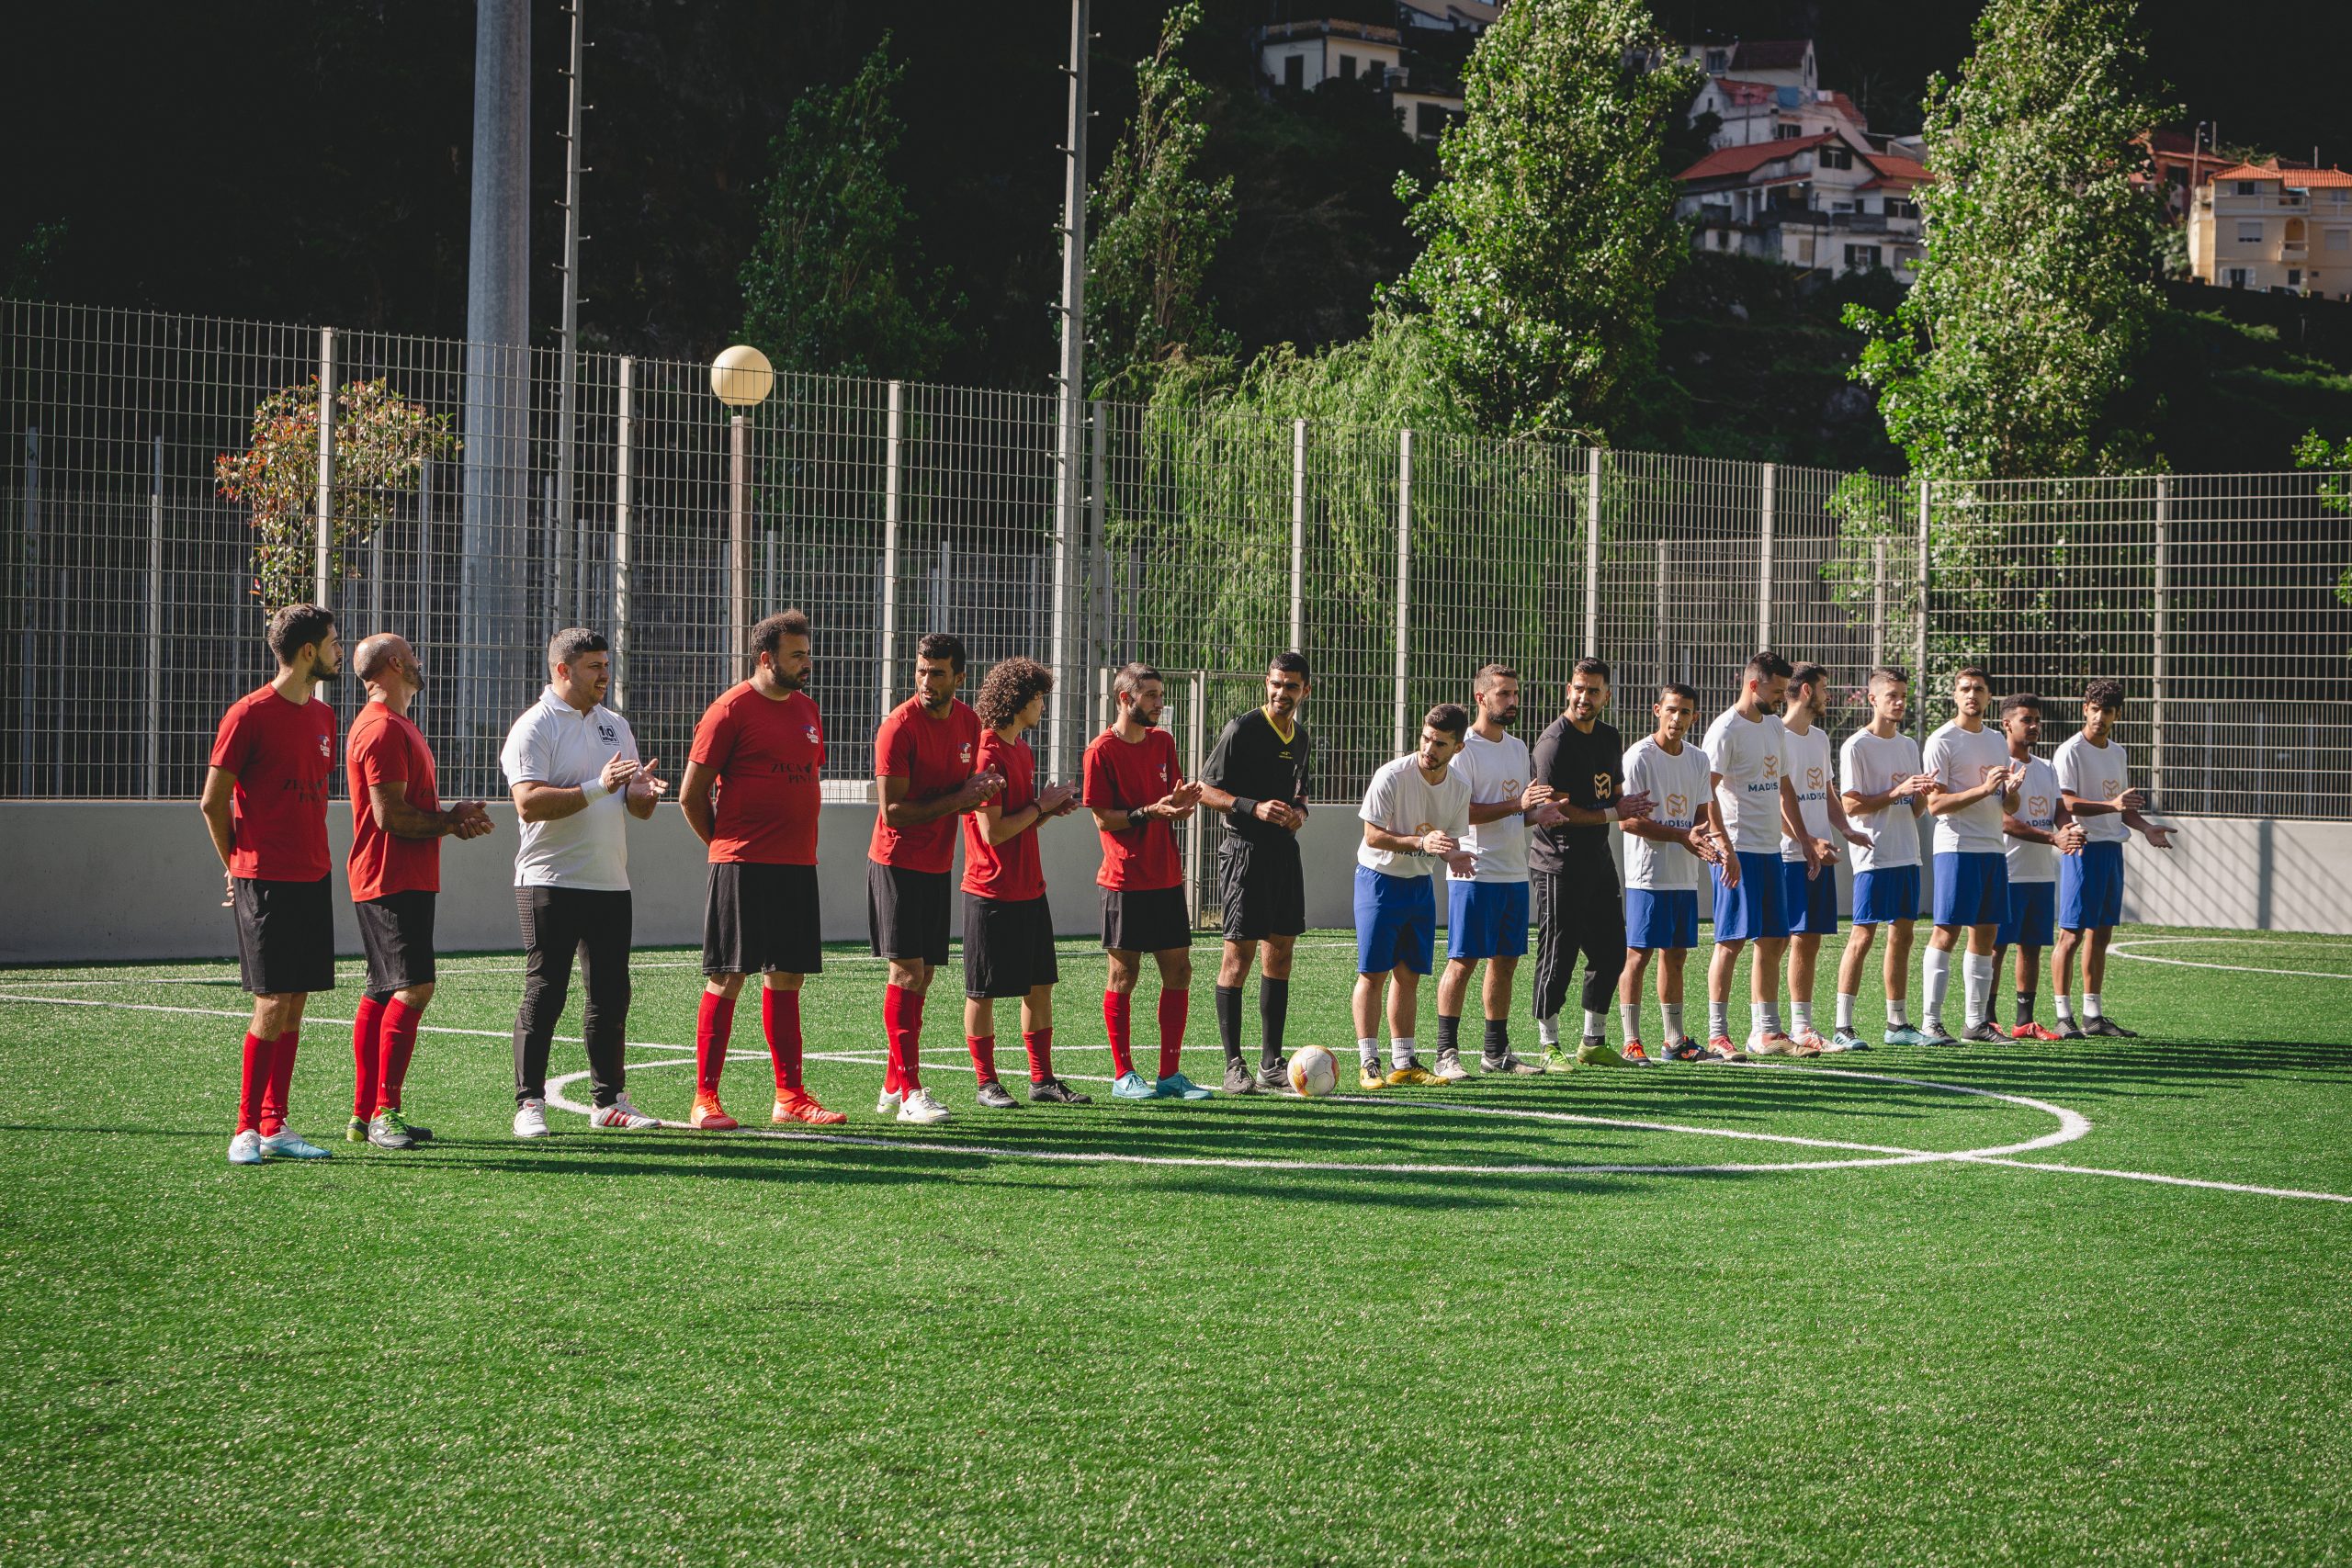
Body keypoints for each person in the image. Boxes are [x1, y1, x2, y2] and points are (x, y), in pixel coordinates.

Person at [677, 609, 846, 1133]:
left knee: (787, 976)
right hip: (743, 865)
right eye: (797, 655)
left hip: (797, 866)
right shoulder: (729, 710)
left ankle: (789, 1095)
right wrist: (726, 847)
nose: (807, 663)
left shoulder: (808, 710)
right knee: (729, 977)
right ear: (766, 657)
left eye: (807, 652)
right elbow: (691, 795)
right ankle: (705, 1098)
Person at [503, 627, 668, 1135]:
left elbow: (633, 807)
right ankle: (529, 1102)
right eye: (594, 666)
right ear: (562, 670)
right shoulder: (534, 726)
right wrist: (602, 785)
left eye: (605, 664)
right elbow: (529, 801)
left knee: (611, 993)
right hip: (549, 880)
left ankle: (609, 1099)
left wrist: (644, 792)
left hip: (609, 883)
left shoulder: (614, 725)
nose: (604, 675)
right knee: (546, 991)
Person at [200, 603, 344, 1166]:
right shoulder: (248, 714)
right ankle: (245, 1130)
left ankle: (275, 1125)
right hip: (265, 878)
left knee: (297, 1003)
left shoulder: (325, 719)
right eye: (333, 642)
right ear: (308, 651)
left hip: (314, 875)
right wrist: (235, 863)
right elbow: (212, 802)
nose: (338, 650)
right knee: (271, 1002)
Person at [344, 633, 492, 1151]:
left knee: (382, 989)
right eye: (411, 655)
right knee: (413, 987)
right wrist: (450, 824)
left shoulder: (392, 725)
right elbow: (390, 816)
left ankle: (366, 1114)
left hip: (390, 876)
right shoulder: (383, 728)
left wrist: (451, 817)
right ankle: (385, 1112)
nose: (419, 661)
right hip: (391, 876)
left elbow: (402, 809)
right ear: (392, 664)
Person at [869, 632, 1003, 1124]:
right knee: (906, 972)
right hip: (896, 862)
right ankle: (910, 1093)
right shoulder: (897, 728)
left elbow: (972, 786)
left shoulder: (970, 723)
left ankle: (890, 1081)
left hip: (935, 864)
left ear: (958, 677)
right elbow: (894, 813)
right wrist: (964, 797)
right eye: (921, 671)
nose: (927, 681)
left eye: (938, 672)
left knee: (922, 975)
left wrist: (988, 788)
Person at [960, 656, 1086, 1106]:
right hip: (990, 890)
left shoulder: (1022, 749)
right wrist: (1040, 807)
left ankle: (1041, 1080)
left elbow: (1020, 822)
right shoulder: (988, 749)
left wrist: (1047, 810)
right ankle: (985, 1082)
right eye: (1038, 699)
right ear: (1018, 701)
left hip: (1030, 887)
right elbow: (993, 832)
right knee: (984, 989)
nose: (1043, 707)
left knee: (1039, 985)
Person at [1084, 662, 1210, 1101]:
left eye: (1160, 694)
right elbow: (1103, 818)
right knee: (1124, 974)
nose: (1160, 703)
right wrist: (1149, 812)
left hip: (1165, 879)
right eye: (1152, 695)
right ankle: (1123, 1075)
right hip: (1123, 881)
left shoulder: (1163, 742)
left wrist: (1177, 803)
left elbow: (1167, 799)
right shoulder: (1100, 751)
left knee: (1179, 971)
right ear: (1126, 698)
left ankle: (1170, 1075)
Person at [1196, 652, 1315, 1094]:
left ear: (1306, 690)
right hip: (1244, 852)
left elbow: (1300, 789)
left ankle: (1270, 1063)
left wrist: (1299, 810)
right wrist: (1253, 807)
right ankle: (1233, 1065)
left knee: (1280, 952)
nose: (1281, 694)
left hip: (1285, 854)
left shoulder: (1301, 737)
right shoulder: (1242, 728)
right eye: (1275, 684)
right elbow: (1205, 788)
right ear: (1266, 684)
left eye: (1291, 686)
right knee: (1238, 957)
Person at [1528, 658, 1651, 1069]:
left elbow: (1613, 795)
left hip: (1598, 859)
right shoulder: (1553, 743)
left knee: (1612, 950)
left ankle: (1592, 1041)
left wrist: (1627, 805)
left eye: (1593, 690)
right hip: (1558, 862)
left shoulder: (1609, 737)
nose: (1585, 697)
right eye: (1579, 688)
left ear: (1607, 696)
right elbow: (1558, 811)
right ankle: (1548, 1045)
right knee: (1558, 952)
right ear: (1568, 689)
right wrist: (1617, 813)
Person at [1436, 664, 1551, 1077]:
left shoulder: (1519, 749)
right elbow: (1459, 813)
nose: (1513, 701)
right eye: (1504, 694)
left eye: (1515, 693)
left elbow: (1516, 814)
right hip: (1474, 872)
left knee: (1505, 961)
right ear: (1481, 698)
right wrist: (1518, 805)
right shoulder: (1463, 749)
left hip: (1513, 872)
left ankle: (1494, 1052)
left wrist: (1539, 814)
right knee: (1463, 961)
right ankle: (1445, 1052)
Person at [1353, 705, 1476, 1089]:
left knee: (1408, 976)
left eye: (1440, 743)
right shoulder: (1392, 775)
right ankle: (1369, 1062)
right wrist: (1421, 842)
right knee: (1373, 974)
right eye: (1425, 738)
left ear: (1457, 747)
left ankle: (1403, 1062)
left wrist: (1452, 854)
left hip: (1420, 886)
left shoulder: (1458, 787)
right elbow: (1372, 834)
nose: (1429, 748)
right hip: (1379, 880)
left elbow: (1449, 839)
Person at [1702, 650, 1815, 1060]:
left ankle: (1766, 1033)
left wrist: (1802, 838)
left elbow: (1784, 785)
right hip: (1738, 850)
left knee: (1774, 939)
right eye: (1776, 690)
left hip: (1770, 851)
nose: (1782, 698)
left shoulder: (1772, 726)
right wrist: (1723, 845)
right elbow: (1706, 790)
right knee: (1730, 940)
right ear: (1753, 685)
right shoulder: (1725, 730)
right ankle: (1718, 1034)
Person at [2052, 679, 2176, 1038]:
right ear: (2084, 709)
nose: (2100, 717)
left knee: (2101, 933)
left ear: (2116, 715)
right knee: (2070, 935)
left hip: (2111, 849)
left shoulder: (2117, 752)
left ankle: (2093, 1016)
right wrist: (2112, 806)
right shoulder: (2070, 751)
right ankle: (2064, 1015)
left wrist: (2146, 827)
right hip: (2082, 848)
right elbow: (2066, 803)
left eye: (2107, 711)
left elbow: (2122, 808)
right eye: (2095, 709)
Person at [1834, 668, 1938, 1050]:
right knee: (1863, 935)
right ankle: (1843, 1026)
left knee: (1903, 935)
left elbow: (1913, 811)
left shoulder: (1910, 745)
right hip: (1873, 855)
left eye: (1903, 696)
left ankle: (1897, 1024)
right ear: (1872, 699)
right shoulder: (1856, 746)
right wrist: (1898, 791)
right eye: (1892, 695)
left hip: (1906, 852)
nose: (1899, 702)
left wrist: (1923, 791)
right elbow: (1850, 803)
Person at [1618, 683, 1723, 1062]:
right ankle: (1631, 1042)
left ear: (1695, 717)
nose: (1678, 719)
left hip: (1683, 875)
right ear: (1657, 710)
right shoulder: (1638, 758)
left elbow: (1699, 812)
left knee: (1675, 955)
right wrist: (1682, 836)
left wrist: (1700, 838)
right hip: (1647, 875)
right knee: (1638, 955)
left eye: (1686, 712)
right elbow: (1627, 822)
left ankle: (1674, 1042)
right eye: (1672, 710)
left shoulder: (1697, 759)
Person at [1922, 666, 2025, 1044]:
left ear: (1988, 696)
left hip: (1992, 849)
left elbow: (2007, 802)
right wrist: (1984, 789)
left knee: (1987, 933)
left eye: (1979, 689)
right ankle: (1930, 1022)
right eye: (1965, 688)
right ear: (1955, 695)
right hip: (1956, 848)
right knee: (1946, 931)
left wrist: (2010, 791)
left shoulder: (1998, 740)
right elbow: (1935, 804)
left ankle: (1975, 1023)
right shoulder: (1942, 740)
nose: (1972, 695)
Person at [1778, 663, 1871, 1054]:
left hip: (1819, 851)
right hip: (1787, 854)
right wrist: (1804, 840)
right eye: (1823, 689)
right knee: (1783, 940)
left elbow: (1827, 793)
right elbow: (1776, 800)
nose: (1828, 696)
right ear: (1804, 692)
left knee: (1810, 938)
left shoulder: (1818, 738)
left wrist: (1845, 829)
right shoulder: (1776, 737)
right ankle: (1773, 1027)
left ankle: (1802, 1026)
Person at [1993, 693, 2085, 1042]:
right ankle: (1987, 1018)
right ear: (2007, 723)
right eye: (2026, 720)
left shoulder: (2046, 767)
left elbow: (2059, 810)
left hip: (2041, 874)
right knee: (1996, 947)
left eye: (2036, 720)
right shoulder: (1998, 765)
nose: (2034, 726)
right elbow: (2003, 821)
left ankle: (2024, 1021)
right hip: (2008, 870)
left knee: (2031, 946)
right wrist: (2052, 840)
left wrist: (2069, 829)